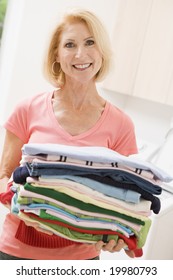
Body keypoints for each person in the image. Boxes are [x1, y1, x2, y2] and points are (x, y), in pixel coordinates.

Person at [0, 8, 138, 260]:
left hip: (81, 259)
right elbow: (3, 176)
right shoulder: (27, 109)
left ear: (102, 52)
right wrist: (20, 206)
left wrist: (118, 236)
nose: (80, 54)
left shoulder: (121, 125)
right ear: (57, 54)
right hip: (17, 251)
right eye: (69, 45)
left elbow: (128, 200)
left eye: (89, 43)